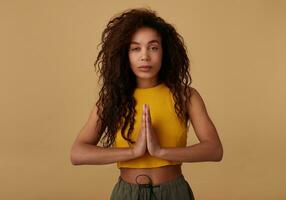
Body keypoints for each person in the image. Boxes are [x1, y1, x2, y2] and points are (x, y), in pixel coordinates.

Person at [70, 7, 223, 200]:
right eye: (135, 48)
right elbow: (77, 153)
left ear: (165, 52)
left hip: (174, 193)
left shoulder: (186, 96)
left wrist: (161, 151)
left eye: (153, 47)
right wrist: (133, 152)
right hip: (127, 194)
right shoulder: (112, 99)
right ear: (124, 55)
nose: (145, 56)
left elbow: (214, 149)